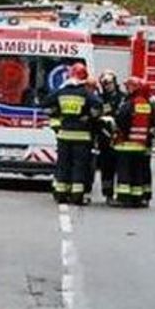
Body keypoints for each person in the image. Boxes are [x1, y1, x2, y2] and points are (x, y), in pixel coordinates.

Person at [45, 63, 100, 205]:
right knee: (79, 166)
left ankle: (61, 194)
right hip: (82, 136)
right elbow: (98, 105)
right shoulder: (85, 93)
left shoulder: (61, 92)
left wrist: (57, 111)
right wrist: (89, 116)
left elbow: (46, 102)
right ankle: (77, 196)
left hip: (64, 135)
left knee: (63, 165)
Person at [113, 77, 155, 207]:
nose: (127, 89)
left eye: (130, 87)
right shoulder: (146, 105)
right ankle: (137, 197)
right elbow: (152, 123)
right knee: (137, 172)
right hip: (140, 144)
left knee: (124, 172)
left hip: (126, 144)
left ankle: (123, 197)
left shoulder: (130, 103)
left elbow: (121, 120)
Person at [96, 70, 124, 204]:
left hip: (120, 137)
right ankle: (108, 194)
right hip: (104, 138)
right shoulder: (99, 98)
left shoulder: (123, 98)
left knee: (122, 167)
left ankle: (122, 194)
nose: (107, 86)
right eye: (104, 84)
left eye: (109, 83)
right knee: (107, 168)